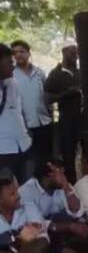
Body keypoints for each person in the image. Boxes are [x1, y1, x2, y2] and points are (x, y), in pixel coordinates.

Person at [11, 40, 52, 169]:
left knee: (47, 160)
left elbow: (46, 94)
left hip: (44, 122)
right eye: (15, 53)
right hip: (26, 127)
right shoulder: (11, 75)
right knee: (30, 163)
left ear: (28, 53)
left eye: (22, 52)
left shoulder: (39, 72)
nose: (18, 55)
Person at [44, 42, 81, 182]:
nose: (76, 57)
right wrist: (67, 93)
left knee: (87, 152)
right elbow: (47, 99)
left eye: (77, 54)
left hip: (82, 120)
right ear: (64, 53)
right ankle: (71, 184)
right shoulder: (55, 75)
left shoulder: (79, 73)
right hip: (66, 120)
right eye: (73, 53)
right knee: (68, 155)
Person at [0, 43, 31, 182]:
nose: (13, 66)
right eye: (9, 62)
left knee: (26, 188)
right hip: (3, 151)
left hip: (23, 145)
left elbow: (18, 111)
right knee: (6, 191)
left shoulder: (12, 83)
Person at [18, 158, 82, 221]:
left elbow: (77, 211)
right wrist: (68, 227)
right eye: (61, 172)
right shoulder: (27, 191)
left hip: (55, 227)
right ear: (50, 173)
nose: (64, 177)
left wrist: (66, 187)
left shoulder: (63, 187)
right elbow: (36, 223)